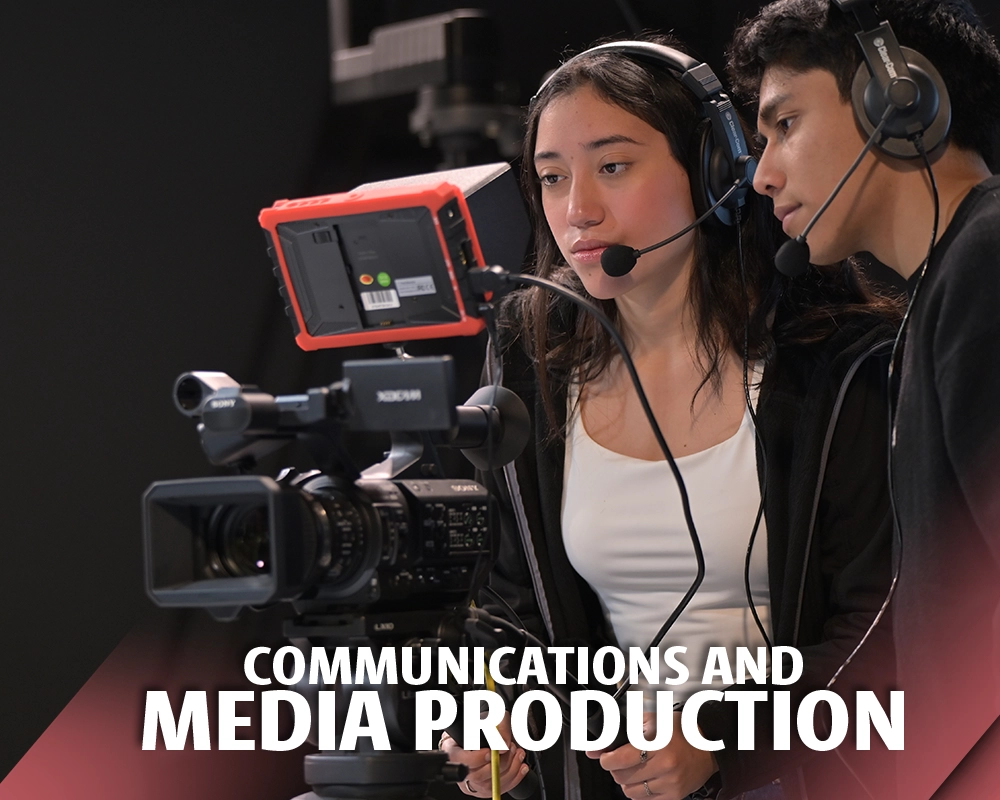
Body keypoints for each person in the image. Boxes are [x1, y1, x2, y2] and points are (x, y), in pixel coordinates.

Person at [442, 34, 900, 800]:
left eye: (613, 167)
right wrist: (497, 712)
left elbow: (885, 619)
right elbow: (510, 604)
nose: (578, 210)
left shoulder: (835, 356)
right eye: (552, 178)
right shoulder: (531, 351)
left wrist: (722, 741)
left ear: (714, 170)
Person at [727, 1, 1000, 797]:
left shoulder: (986, 266)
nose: (762, 175)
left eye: (785, 125)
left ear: (899, 99)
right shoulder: (943, 289)